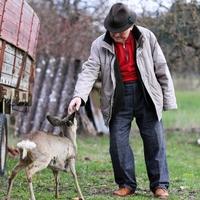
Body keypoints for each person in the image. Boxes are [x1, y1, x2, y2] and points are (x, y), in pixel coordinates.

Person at [68, 3, 177, 199]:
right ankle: (126, 184)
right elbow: (90, 70)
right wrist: (79, 95)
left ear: (131, 26)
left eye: (120, 32)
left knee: (155, 141)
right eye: (113, 31)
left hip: (146, 94)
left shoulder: (147, 36)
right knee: (117, 143)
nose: (116, 35)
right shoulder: (99, 44)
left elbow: (161, 67)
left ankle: (159, 185)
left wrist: (168, 100)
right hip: (118, 97)